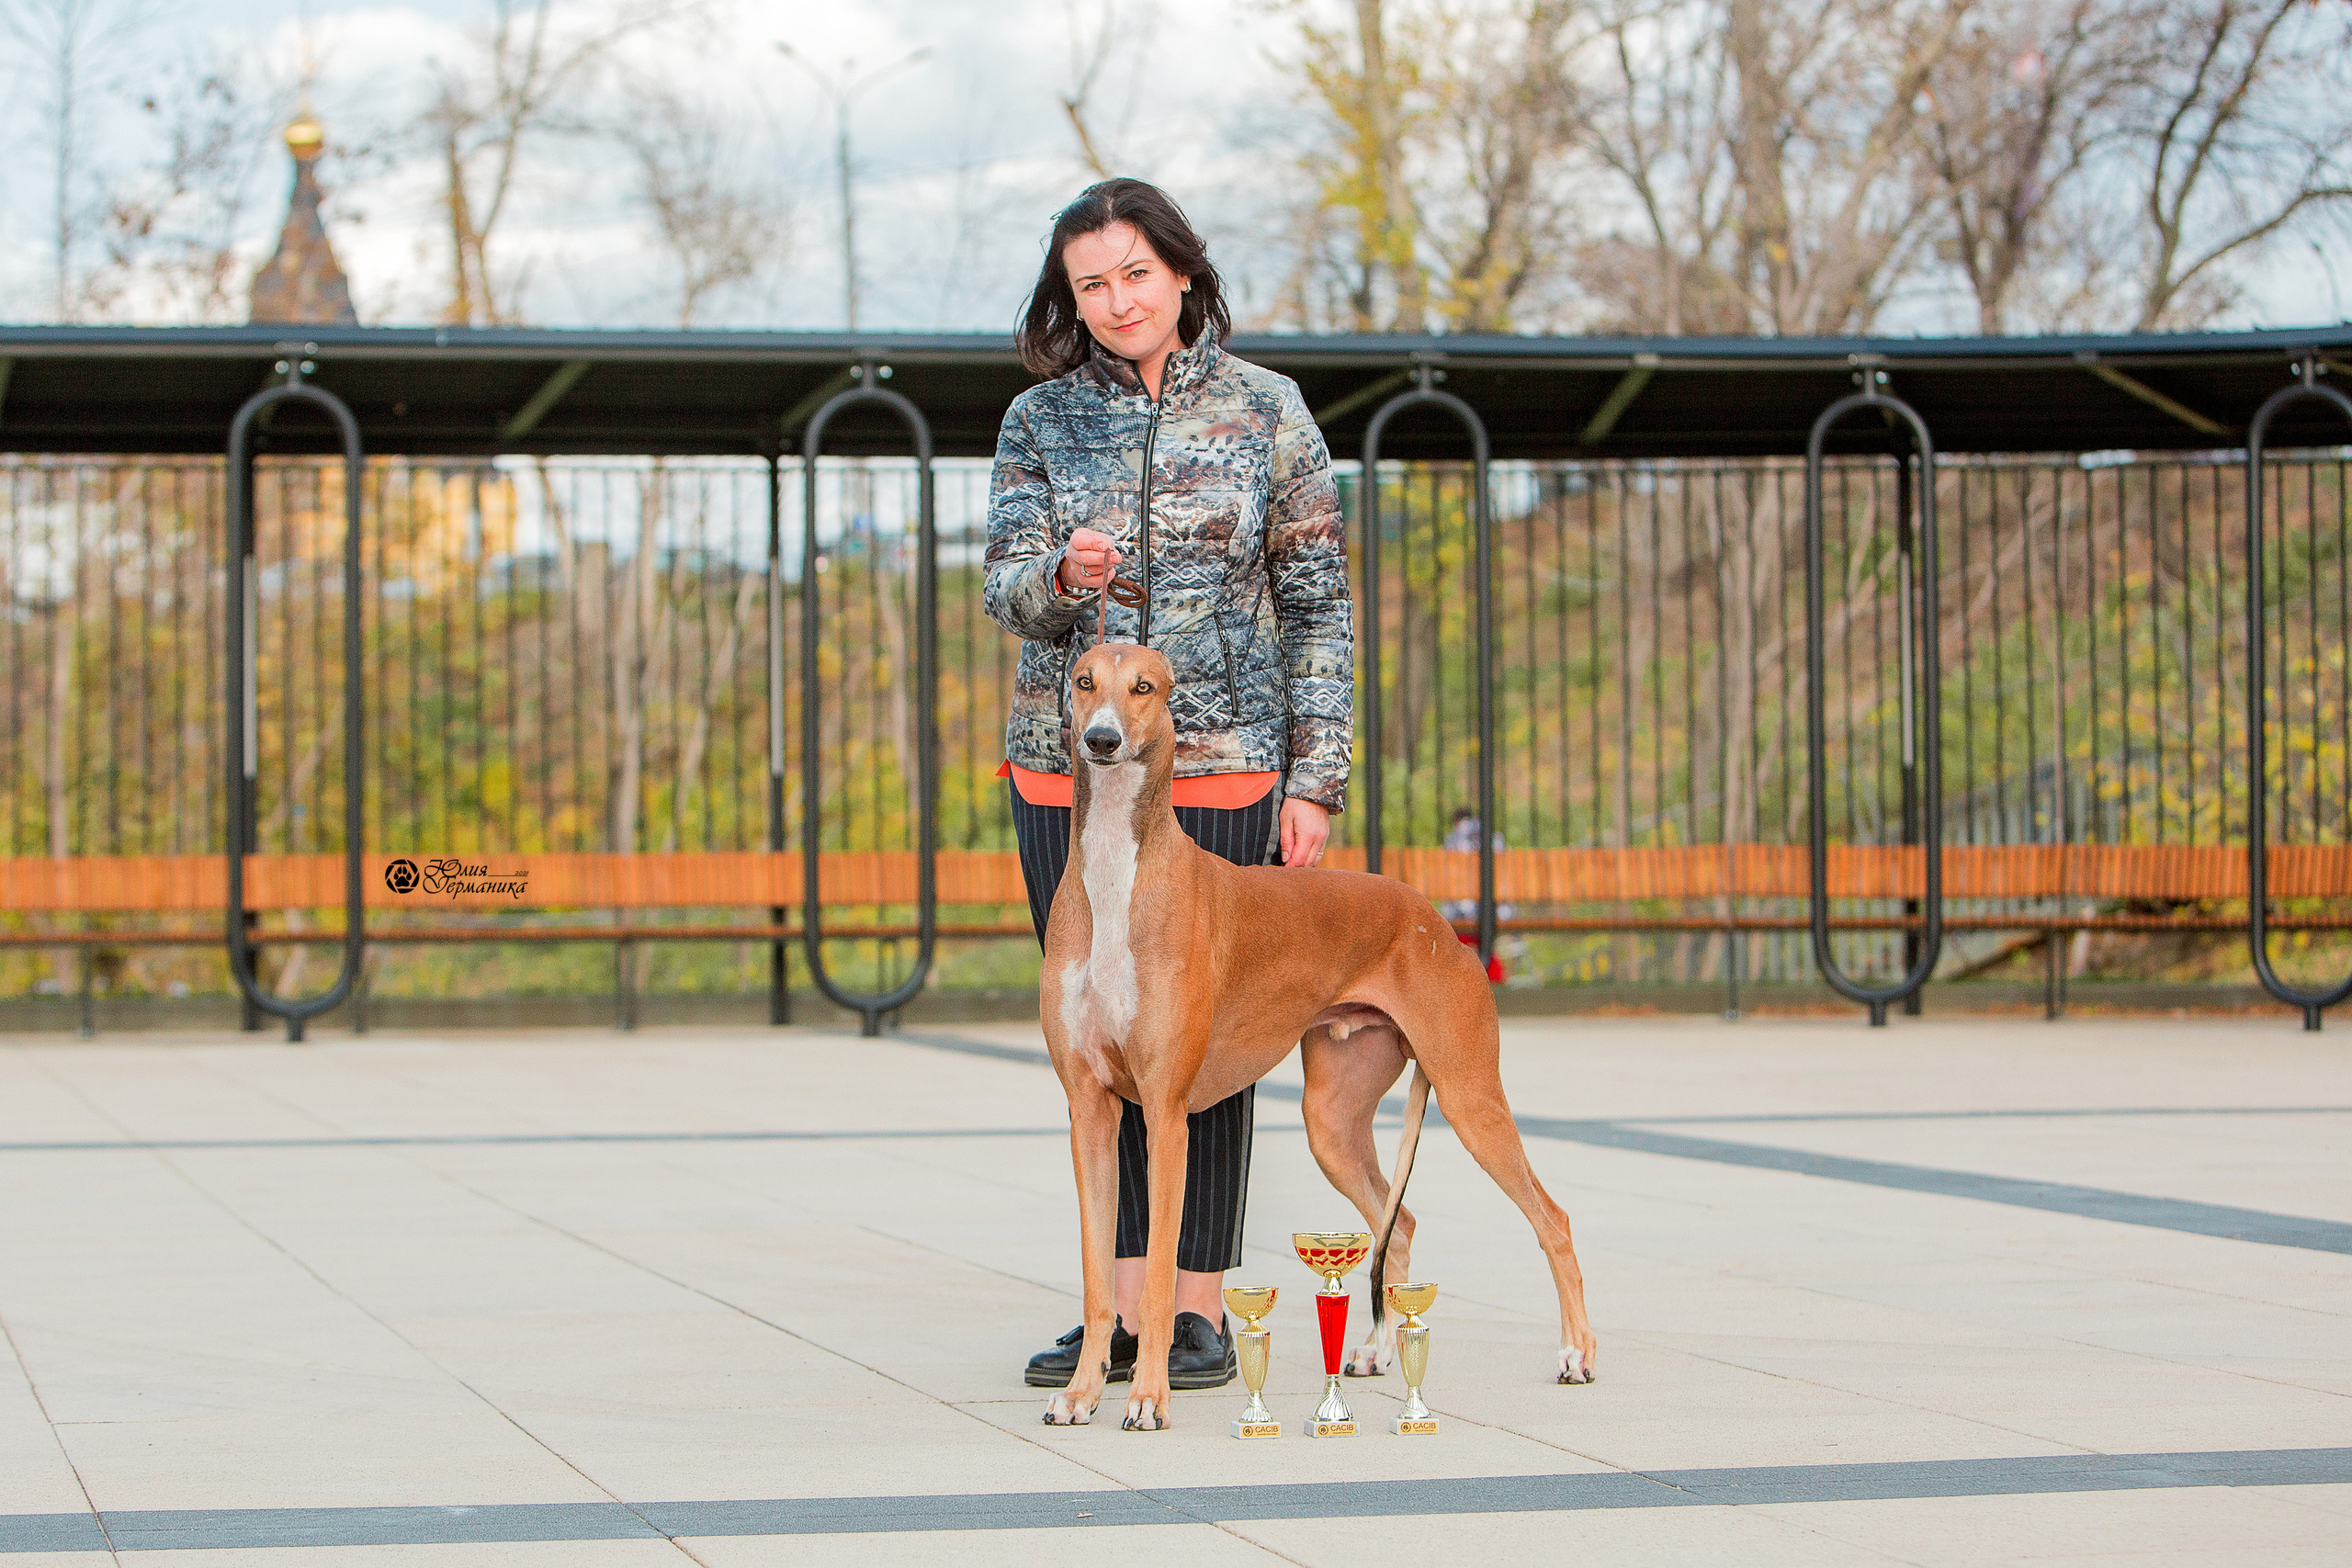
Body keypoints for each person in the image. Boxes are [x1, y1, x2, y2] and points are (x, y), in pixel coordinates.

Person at [982, 178, 1351, 1392]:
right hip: (1068, 783)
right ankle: (1112, 1310)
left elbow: (1317, 604)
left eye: (1135, 273)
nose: (1117, 299)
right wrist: (1058, 570)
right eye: (1092, 283)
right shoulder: (1039, 420)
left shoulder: (1269, 411)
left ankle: (1191, 1312)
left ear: (1182, 274)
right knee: (1101, 1044)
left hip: (1230, 768)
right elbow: (1004, 589)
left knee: (1208, 1043)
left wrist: (1318, 777)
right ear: (1071, 299)